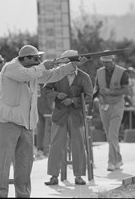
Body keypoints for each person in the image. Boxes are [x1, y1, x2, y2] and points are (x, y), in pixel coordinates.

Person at [0, 45, 88, 197]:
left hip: (28, 123)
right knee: (3, 164)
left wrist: (72, 65)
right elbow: (26, 74)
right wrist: (44, 66)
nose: (39, 60)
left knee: (24, 166)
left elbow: (53, 75)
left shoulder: (33, 71)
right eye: (36, 58)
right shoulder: (11, 68)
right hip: (8, 122)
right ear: (26, 58)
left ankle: (23, 195)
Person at [43, 50, 93, 186]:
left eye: (69, 62)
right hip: (59, 115)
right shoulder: (56, 75)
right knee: (55, 145)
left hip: (76, 116)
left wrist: (73, 101)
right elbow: (46, 90)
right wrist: (57, 94)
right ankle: (53, 176)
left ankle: (79, 176)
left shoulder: (84, 77)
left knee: (78, 145)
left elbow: (89, 96)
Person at [93, 54, 129, 171]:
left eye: (108, 62)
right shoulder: (99, 72)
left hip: (117, 105)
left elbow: (126, 90)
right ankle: (118, 159)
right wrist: (98, 96)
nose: (106, 65)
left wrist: (110, 92)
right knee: (110, 134)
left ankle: (111, 161)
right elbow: (96, 88)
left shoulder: (122, 72)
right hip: (103, 105)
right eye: (104, 62)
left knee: (112, 134)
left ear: (113, 61)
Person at [36, 83, 54, 156]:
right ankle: (45, 148)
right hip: (46, 108)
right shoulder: (46, 82)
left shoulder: (38, 81)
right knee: (48, 129)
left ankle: (41, 148)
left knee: (41, 128)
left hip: (38, 106)